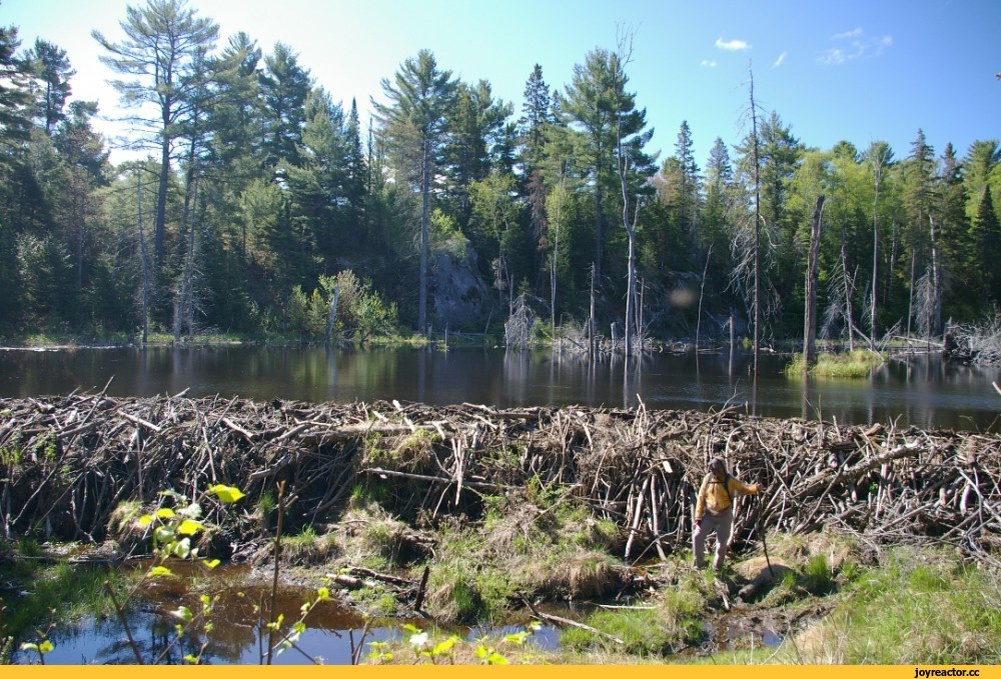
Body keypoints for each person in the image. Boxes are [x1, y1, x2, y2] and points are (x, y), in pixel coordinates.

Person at [692, 456, 763, 570]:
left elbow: (743, 488)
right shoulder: (708, 478)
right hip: (709, 515)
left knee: (721, 543)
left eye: (715, 469)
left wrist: (755, 488)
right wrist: (698, 517)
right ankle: (699, 565)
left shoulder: (730, 480)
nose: (713, 471)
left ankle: (717, 567)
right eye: (712, 469)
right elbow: (701, 497)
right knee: (697, 537)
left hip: (724, 515)